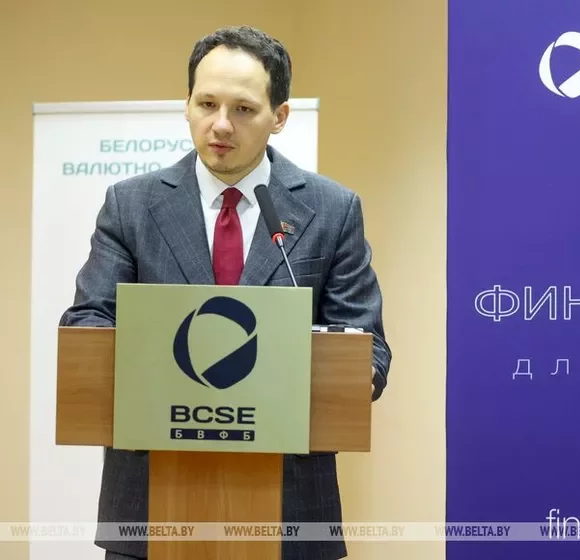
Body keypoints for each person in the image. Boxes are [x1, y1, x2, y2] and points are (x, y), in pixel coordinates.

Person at [58, 25, 391, 560]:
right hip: (150, 509)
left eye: (243, 109)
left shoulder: (331, 210)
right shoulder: (131, 205)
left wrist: (348, 374)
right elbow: (89, 322)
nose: (220, 124)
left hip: (291, 513)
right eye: (207, 103)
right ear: (186, 104)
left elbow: (367, 346)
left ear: (279, 116)